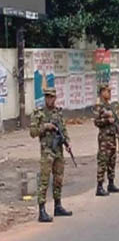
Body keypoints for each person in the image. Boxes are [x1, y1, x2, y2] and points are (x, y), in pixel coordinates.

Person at [29, 88, 73, 222]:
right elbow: (32, 132)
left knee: (58, 179)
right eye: (47, 97)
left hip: (58, 150)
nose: (49, 99)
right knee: (44, 180)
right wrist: (45, 126)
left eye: (51, 97)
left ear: (55, 98)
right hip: (47, 150)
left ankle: (57, 206)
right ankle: (42, 210)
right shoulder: (39, 114)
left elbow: (63, 130)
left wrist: (68, 143)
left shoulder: (58, 113)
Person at [94, 83, 119, 196]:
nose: (109, 93)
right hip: (104, 138)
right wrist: (106, 121)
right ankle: (99, 186)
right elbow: (96, 122)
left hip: (112, 137)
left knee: (112, 160)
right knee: (103, 161)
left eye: (110, 91)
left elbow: (115, 120)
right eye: (107, 91)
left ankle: (111, 183)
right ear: (102, 92)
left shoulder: (110, 106)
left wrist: (118, 126)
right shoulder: (99, 106)